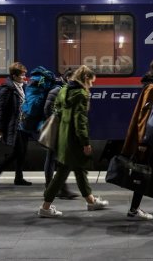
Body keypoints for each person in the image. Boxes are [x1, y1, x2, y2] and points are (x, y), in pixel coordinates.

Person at [37, 65, 109, 217]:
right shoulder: (81, 94)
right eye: (91, 81)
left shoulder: (64, 90)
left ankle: (91, 201)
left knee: (80, 169)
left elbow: (57, 110)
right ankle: (45, 207)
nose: (92, 84)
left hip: (64, 137)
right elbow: (80, 121)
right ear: (85, 79)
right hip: (74, 140)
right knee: (62, 174)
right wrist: (85, 142)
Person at [120, 56, 153, 221]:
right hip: (148, 139)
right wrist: (144, 141)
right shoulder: (152, 88)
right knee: (147, 172)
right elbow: (145, 117)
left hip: (150, 139)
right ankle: (135, 208)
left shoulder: (150, 86)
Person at [0, 62, 33, 186]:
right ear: (14, 76)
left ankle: (18, 178)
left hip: (23, 124)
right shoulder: (8, 89)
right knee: (18, 152)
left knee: (22, 152)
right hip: (14, 125)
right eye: (22, 75)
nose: (24, 77)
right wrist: (0, 129)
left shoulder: (20, 87)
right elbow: (2, 110)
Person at [42, 68, 78, 199]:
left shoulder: (65, 90)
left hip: (62, 129)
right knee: (54, 159)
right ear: (68, 78)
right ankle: (53, 188)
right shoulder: (57, 90)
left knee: (55, 158)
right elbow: (47, 110)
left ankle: (56, 188)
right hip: (57, 129)